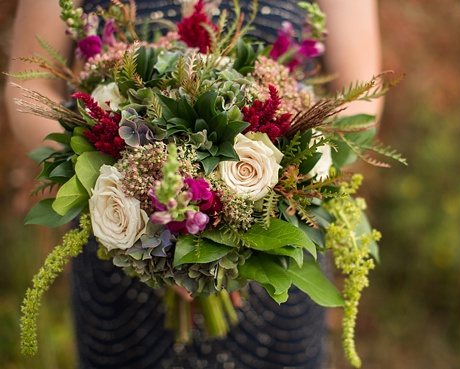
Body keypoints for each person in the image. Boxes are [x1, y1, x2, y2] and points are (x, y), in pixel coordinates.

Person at [5, 0, 383, 367]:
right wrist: (134, 196)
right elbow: (25, 90)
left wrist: (256, 208)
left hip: (276, 240)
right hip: (122, 240)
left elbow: (362, 97)